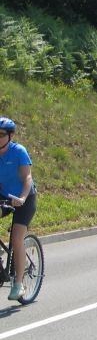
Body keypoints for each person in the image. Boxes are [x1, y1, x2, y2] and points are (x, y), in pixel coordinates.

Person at [0, 117, 37, 301]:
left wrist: (22, 197)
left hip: (24, 198)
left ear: (10, 136)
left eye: (1, 135)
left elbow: (27, 178)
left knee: (16, 239)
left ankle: (18, 283)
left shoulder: (18, 151)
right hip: (4, 196)